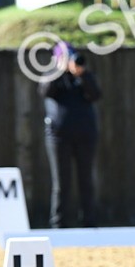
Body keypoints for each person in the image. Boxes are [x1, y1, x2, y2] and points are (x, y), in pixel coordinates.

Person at [39, 42, 101, 227]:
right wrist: (59, 71)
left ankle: (88, 223)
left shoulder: (83, 76)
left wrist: (81, 75)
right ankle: (58, 225)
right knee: (61, 183)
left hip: (85, 135)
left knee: (86, 180)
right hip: (58, 137)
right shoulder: (51, 76)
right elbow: (45, 91)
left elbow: (96, 95)